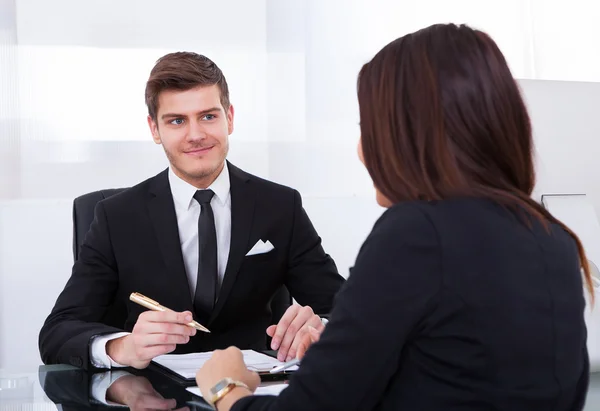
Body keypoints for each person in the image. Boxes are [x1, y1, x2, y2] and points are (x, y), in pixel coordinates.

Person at [195, 23, 592, 411]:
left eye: (367, 127)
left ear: (405, 133)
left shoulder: (417, 234)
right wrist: (345, 348)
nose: (362, 149)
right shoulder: (552, 237)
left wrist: (225, 388)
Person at [39, 52, 345, 371]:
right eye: (177, 121)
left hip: (252, 393)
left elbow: (344, 310)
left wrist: (320, 326)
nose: (196, 134)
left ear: (230, 117)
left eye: (208, 116)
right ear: (154, 130)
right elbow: (58, 332)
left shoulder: (281, 206)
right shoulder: (115, 217)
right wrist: (122, 346)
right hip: (150, 396)